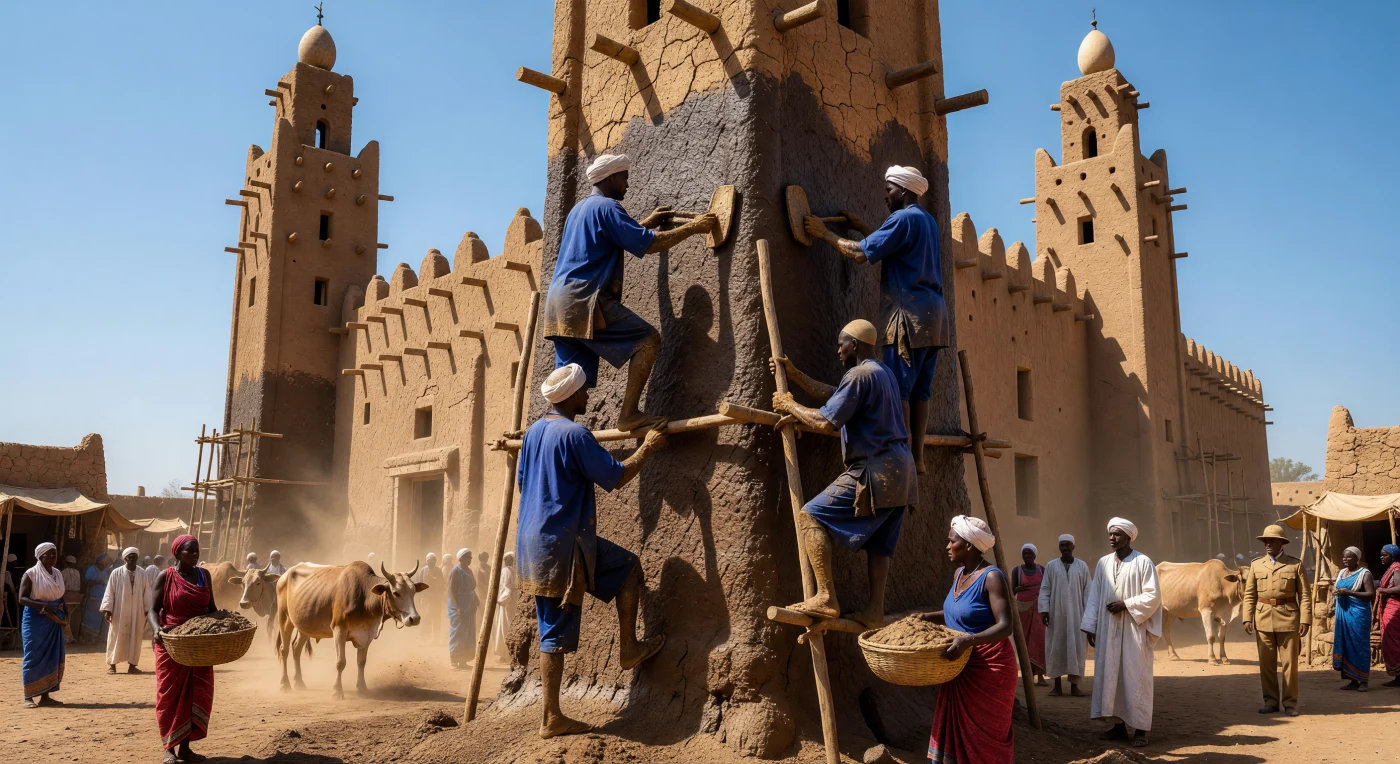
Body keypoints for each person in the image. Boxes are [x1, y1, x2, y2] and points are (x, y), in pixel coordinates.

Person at [516, 363, 669, 738]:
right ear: (571, 396)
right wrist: (648, 448)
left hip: (534, 542)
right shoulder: (575, 434)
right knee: (554, 631)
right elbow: (617, 476)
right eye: (583, 391)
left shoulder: (533, 434)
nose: (587, 395)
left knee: (626, 569)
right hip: (563, 545)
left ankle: (629, 648)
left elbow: (523, 483)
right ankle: (551, 717)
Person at [542, 152, 719, 432]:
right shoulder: (609, 207)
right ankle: (629, 414)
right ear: (610, 177)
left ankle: (551, 430)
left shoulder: (579, 210)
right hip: (583, 298)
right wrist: (693, 228)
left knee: (569, 380)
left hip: (557, 306)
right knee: (647, 340)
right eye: (624, 178)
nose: (627, 184)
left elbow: (610, 236)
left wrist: (644, 224)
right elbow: (650, 245)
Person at [770, 319, 917, 629]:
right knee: (879, 546)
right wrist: (795, 375)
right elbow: (835, 396)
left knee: (810, 515)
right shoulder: (882, 373)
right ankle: (874, 611)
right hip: (902, 475)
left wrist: (790, 405)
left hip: (875, 468)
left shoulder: (859, 374)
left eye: (842, 344)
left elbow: (826, 422)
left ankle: (825, 597)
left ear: (855, 345)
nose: (838, 350)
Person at [803, 165, 948, 473]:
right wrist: (864, 229)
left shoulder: (903, 218)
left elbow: (859, 254)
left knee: (899, 389)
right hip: (934, 319)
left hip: (907, 316)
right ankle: (918, 458)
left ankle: (900, 454)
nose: (886, 195)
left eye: (889, 189)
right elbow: (893, 247)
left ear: (904, 190)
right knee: (921, 391)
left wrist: (823, 233)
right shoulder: (927, 221)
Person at [917, 515, 1015, 764]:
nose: (947, 546)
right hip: (961, 664)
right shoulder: (959, 574)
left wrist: (967, 641)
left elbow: (1005, 626)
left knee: (982, 740)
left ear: (969, 545)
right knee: (955, 733)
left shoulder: (992, 577)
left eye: (952, 541)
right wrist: (927, 617)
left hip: (989, 670)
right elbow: (959, 612)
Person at [1082, 517, 1161, 748]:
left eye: (1117, 534)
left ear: (1129, 537)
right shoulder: (1103, 563)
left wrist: (1126, 604)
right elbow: (1095, 596)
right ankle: (1118, 726)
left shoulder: (1143, 562)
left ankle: (1140, 729)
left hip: (1134, 630)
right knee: (1112, 676)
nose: (1112, 538)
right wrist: (1091, 626)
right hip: (1108, 630)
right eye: (1110, 534)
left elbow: (1153, 596)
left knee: (1136, 677)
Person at [150, 534, 216, 763]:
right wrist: (157, 630)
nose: (195, 555)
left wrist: (225, 623)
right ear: (177, 553)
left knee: (195, 694)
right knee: (170, 695)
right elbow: (153, 609)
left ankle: (185, 748)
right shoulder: (165, 577)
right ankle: (169, 748)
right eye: (190, 551)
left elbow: (211, 608)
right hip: (172, 643)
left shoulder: (204, 575)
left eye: (197, 551)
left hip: (198, 644)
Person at [1241, 523, 1312, 716]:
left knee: (1290, 665)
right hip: (1263, 619)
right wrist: (1247, 618)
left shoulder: (1295, 565)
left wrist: (1305, 620)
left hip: (1289, 618)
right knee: (1267, 665)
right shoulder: (1256, 565)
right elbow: (1250, 595)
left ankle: (1290, 703)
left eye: (1272, 541)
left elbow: (1305, 595)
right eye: (1265, 541)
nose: (1268, 544)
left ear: (1282, 543)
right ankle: (1270, 701)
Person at [1038, 534, 1090, 697]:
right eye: (1062, 545)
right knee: (1056, 648)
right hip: (1056, 616)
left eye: (1068, 545)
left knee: (1077, 650)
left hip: (1077, 617)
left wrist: (1089, 617)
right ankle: (1057, 686)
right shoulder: (1051, 566)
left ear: (1073, 547)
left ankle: (1075, 686)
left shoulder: (1082, 566)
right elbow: (1045, 589)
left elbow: (1088, 592)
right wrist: (1044, 610)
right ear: (1059, 547)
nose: (1065, 548)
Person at [19, 542, 67, 708]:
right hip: (35, 619)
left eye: (55, 554)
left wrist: (65, 614)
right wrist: (43, 606)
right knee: (33, 655)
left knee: (52, 655)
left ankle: (45, 696)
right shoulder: (31, 574)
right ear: (40, 556)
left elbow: (60, 596)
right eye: (50, 554)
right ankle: (28, 696)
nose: (53, 557)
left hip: (54, 619)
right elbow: (22, 598)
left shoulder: (57, 574)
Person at [101, 547, 152, 674]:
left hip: (137, 611)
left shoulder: (143, 573)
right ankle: (112, 665)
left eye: (134, 557)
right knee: (115, 635)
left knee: (135, 636)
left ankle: (132, 665)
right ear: (125, 558)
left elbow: (147, 592)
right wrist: (108, 609)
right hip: (119, 610)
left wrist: (147, 610)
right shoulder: (116, 573)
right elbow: (110, 592)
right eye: (130, 557)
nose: (132, 559)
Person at [1331, 546, 1375, 691]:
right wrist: (1336, 591)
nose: (1345, 559)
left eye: (1349, 556)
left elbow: (1371, 594)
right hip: (1344, 614)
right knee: (1347, 644)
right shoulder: (1342, 573)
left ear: (1357, 558)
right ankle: (1352, 680)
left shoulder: (1364, 574)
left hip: (1358, 615)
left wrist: (1349, 592)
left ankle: (1363, 680)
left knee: (1359, 645)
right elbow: (1336, 588)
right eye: (1344, 556)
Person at [1013, 543, 1047, 686]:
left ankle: (1041, 676)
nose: (1027, 556)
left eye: (1030, 553)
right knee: (1025, 642)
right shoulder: (1017, 571)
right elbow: (1011, 591)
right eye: (1025, 553)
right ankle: (1029, 676)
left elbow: (1047, 589)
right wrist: (1018, 589)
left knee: (1039, 640)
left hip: (1039, 610)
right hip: (1023, 611)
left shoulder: (1042, 570)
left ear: (1034, 555)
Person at [447, 548, 477, 670]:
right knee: (457, 633)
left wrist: (476, 599)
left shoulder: (469, 570)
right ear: (461, 558)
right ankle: (454, 660)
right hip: (458, 606)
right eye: (468, 557)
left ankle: (463, 661)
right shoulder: (455, 571)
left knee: (467, 633)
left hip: (469, 606)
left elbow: (472, 588)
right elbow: (451, 591)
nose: (470, 559)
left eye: (471, 557)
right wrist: (457, 607)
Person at [1377, 544, 1400, 687]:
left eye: (1384, 555)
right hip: (1389, 607)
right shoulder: (1392, 568)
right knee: (1392, 641)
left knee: (1394, 641)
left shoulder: (1396, 568)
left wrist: (1383, 591)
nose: (1381, 557)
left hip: (1394, 608)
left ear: (1392, 556)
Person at [416, 552, 446, 643]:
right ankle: (424, 638)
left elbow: (442, 583)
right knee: (425, 618)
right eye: (429, 560)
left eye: (433, 560)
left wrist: (434, 579)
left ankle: (435, 639)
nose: (431, 562)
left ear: (435, 561)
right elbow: (419, 583)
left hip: (436, 598)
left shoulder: (438, 570)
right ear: (426, 561)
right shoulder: (423, 570)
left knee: (436, 617)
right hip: (425, 599)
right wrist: (420, 597)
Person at [493, 552, 517, 663]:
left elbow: (508, 588)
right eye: (506, 559)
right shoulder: (510, 571)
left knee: (505, 627)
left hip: (507, 603)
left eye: (509, 559)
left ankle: (506, 654)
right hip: (508, 602)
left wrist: (502, 600)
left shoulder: (507, 571)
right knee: (505, 626)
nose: (507, 561)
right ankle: (505, 654)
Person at [82, 553, 111, 642]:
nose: (105, 565)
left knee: (98, 620)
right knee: (89, 619)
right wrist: (98, 582)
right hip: (92, 598)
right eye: (104, 563)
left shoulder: (105, 571)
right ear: (99, 562)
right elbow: (87, 582)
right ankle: (85, 637)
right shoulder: (92, 569)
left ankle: (94, 638)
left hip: (101, 599)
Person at [60, 555, 83, 643]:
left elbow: (61, 585)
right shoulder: (77, 572)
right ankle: (74, 636)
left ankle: (67, 637)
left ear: (66, 563)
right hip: (76, 597)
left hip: (66, 596)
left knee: (65, 617)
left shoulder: (63, 572)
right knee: (74, 618)